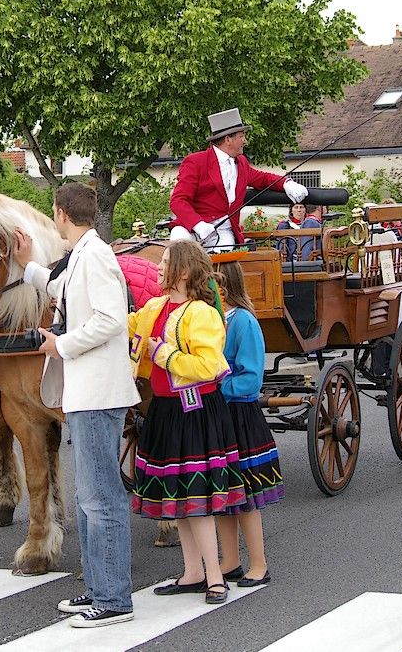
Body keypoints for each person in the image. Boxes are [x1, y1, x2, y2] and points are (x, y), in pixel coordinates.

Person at [13, 182, 140, 629]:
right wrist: (28, 262)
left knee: (101, 498)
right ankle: (99, 588)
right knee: (90, 499)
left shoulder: (98, 256)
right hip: (86, 394)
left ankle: (112, 598)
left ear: (61, 214)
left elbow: (111, 318)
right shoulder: (86, 254)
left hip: (98, 394)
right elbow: (58, 284)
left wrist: (59, 345)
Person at [128, 241, 246, 604]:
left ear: (182, 271)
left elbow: (208, 367)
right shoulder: (155, 307)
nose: (157, 268)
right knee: (177, 495)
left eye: (164, 263)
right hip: (166, 410)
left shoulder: (203, 313)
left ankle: (215, 577)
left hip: (195, 412)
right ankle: (193, 572)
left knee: (198, 498)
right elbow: (125, 326)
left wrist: (160, 353)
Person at [215, 261, 284, 588]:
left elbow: (251, 380)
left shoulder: (244, 322)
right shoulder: (216, 319)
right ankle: (229, 560)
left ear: (223, 287)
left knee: (246, 496)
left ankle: (259, 563)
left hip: (240, 416)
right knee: (222, 493)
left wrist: (215, 387)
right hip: (219, 415)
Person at [169, 107, 308, 249]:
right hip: (190, 229)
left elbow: (262, 178)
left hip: (223, 231)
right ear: (228, 139)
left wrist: (286, 183)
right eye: (241, 136)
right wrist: (198, 225)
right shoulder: (196, 161)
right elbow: (178, 200)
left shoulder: (241, 162)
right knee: (179, 253)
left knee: (226, 265)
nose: (245, 141)